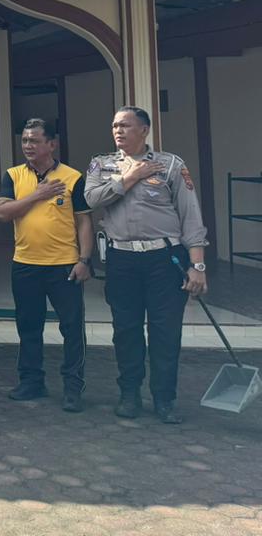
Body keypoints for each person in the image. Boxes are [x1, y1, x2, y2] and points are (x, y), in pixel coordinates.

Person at [83, 106, 208, 424]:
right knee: (126, 330)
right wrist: (130, 177)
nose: (118, 130)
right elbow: (91, 199)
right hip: (122, 259)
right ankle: (129, 394)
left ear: (144, 130)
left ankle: (165, 399)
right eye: (115, 125)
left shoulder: (170, 165)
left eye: (125, 125)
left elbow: (191, 217)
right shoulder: (102, 164)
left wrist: (197, 266)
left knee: (166, 331)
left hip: (165, 259)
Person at [0, 118, 92, 413]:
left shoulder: (72, 177)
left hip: (64, 265)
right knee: (29, 326)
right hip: (26, 263)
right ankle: (31, 381)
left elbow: (84, 222)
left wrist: (84, 260)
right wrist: (37, 195)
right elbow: (3, 213)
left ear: (52, 144)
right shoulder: (13, 175)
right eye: (25, 140)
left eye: (35, 141)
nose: (28, 146)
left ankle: (73, 387)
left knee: (72, 328)